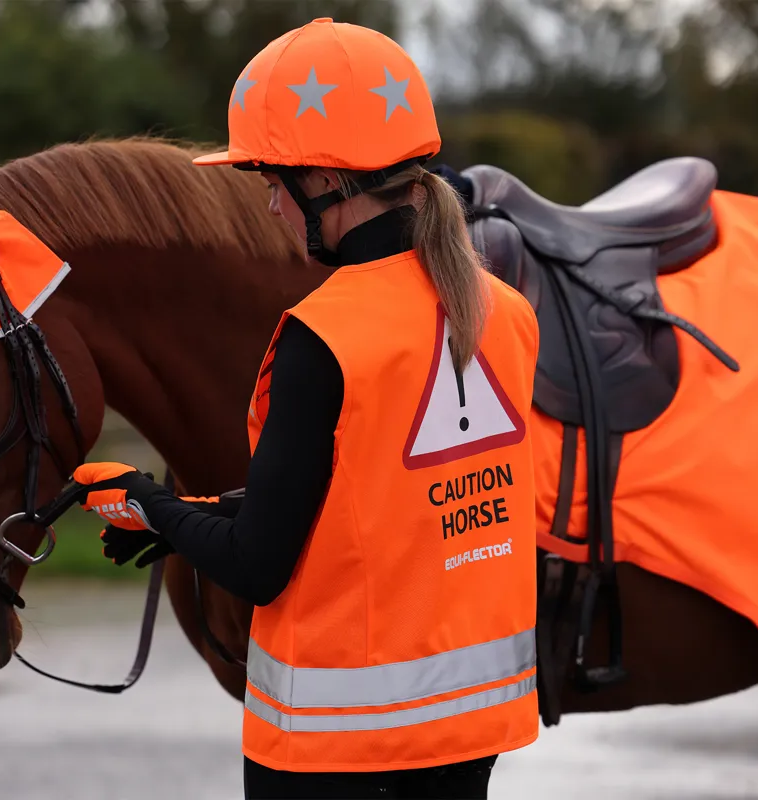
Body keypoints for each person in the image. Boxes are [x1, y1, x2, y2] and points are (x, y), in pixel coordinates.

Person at [72, 18, 540, 799]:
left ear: (323, 182)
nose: (268, 207)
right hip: (468, 733)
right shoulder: (503, 310)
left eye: (270, 183)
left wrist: (148, 502)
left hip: (338, 748)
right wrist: (192, 516)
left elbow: (257, 565)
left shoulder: (322, 336)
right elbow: (379, 503)